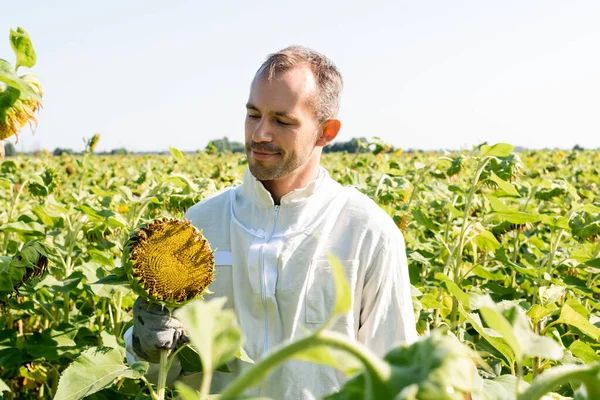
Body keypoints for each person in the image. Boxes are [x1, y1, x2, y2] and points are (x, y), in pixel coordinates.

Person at [124, 45, 417, 399]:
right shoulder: (199, 226)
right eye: (253, 115)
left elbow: (394, 372)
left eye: (282, 121)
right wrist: (143, 344)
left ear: (326, 131)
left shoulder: (366, 232)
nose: (260, 133)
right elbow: (161, 371)